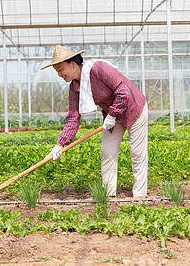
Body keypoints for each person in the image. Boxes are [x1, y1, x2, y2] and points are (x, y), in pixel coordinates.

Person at [43, 45, 148, 197]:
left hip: (134, 108)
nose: (59, 74)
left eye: (60, 69)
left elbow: (123, 92)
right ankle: (108, 193)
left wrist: (111, 115)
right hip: (113, 115)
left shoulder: (99, 69)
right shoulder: (75, 87)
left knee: (137, 153)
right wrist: (60, 144)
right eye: (57, 71)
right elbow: (73, 116)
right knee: (107, 152)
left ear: (73, 64)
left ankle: (140, 196)